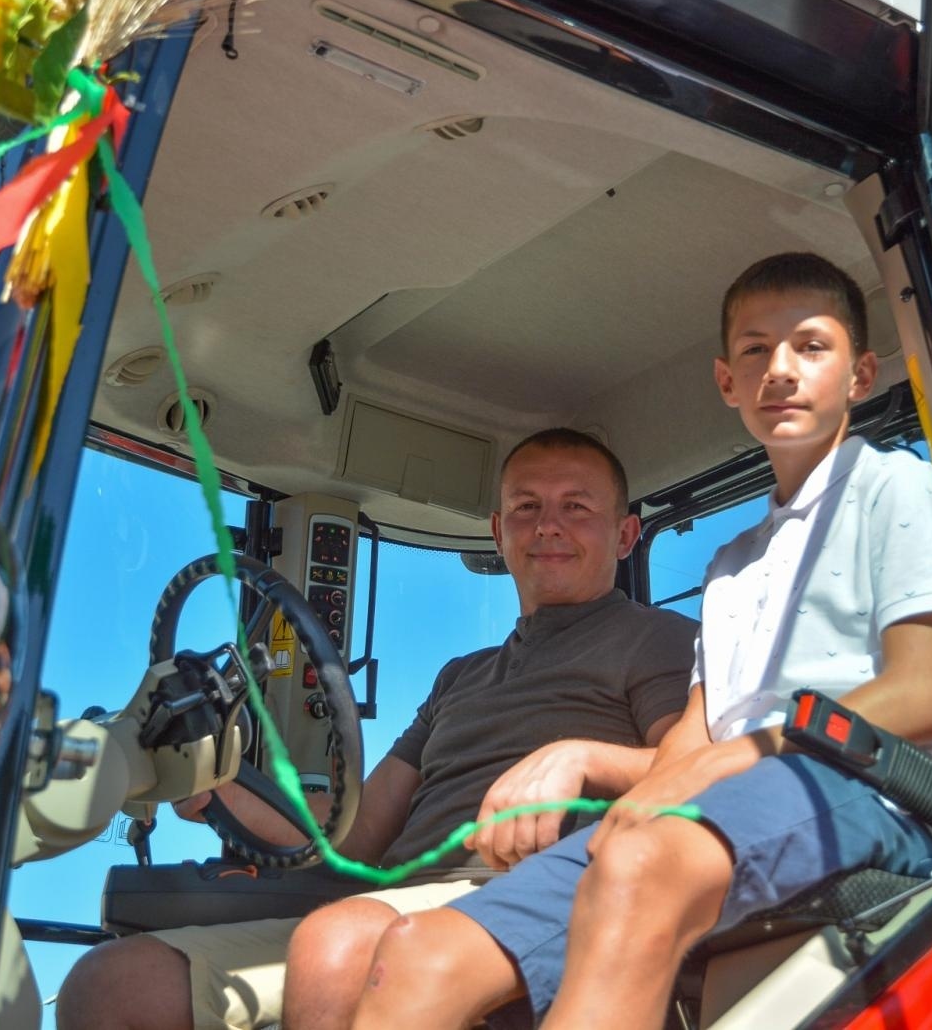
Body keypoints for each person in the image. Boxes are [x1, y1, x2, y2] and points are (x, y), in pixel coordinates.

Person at [341, 253, 932, 1030]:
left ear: (861, 373)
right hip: (746, 797)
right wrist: (635, 801)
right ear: (727, 383)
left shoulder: (894, 484)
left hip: (871, 790)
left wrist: (707, 771)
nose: (780, 369)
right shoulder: (733, 566)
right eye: (755, 351)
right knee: (420, 956)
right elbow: (696, 730)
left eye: (810, 345)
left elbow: (924, 695)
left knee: (639, 863)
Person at [55, 428, 697, 1030]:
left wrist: (579, 756)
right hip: (397, 903)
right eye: (526, 507)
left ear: (626, 535)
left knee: (338, 946)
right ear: (499, 533)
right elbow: (357, 832)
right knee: (113, 982)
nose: (548, 525)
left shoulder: (659, 640)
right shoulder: (460, 677)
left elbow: (694, 772)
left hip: (542, 901)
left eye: (577, 507)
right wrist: (216, 785)